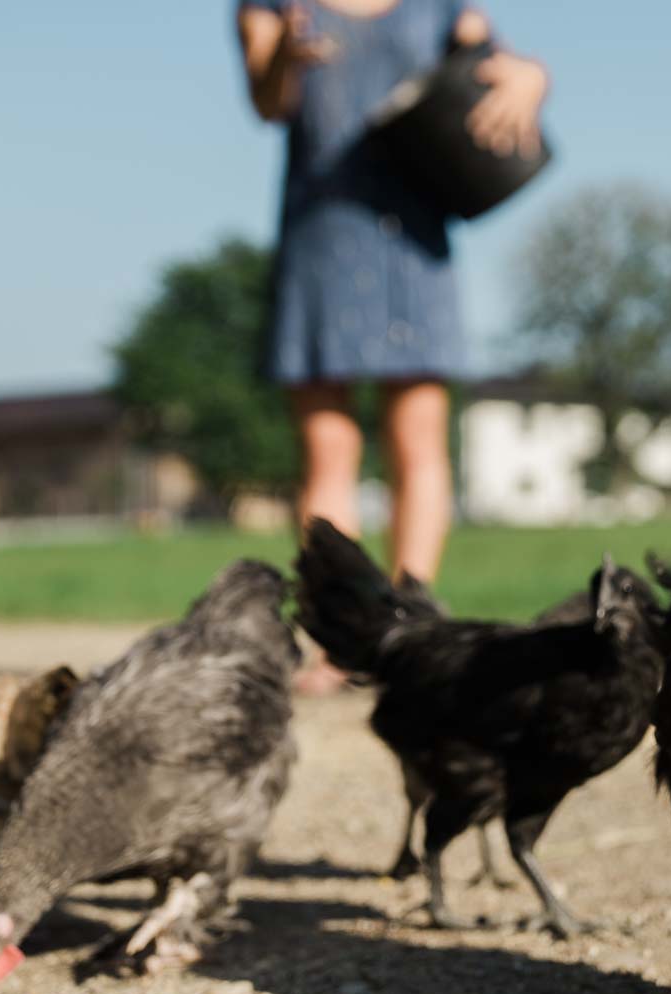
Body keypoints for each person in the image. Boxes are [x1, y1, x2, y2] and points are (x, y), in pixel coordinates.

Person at [235, 0, 549, 595]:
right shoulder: (274, 6)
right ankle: (339, 632)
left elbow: (501, 63)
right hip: (323, 231)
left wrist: (533, 78)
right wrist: (284, 58)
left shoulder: (440, 7)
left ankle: (412, 620)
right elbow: (267, 104)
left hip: (413, 232)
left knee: (419, 441)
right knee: (327, 450)